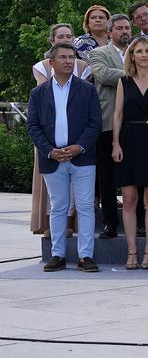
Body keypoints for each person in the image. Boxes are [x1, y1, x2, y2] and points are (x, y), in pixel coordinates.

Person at [27, 43, 102, 272]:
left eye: (72, 57)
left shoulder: (87, 89)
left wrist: (79, 147)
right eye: (63, 57)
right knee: (59, 207)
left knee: (85, 207)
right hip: (53, 158)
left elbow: (94, 123)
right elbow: (33, 126)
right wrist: (50, 150)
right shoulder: (38, 93)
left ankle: (85, 256)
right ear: (52, 63)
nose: (69, 61)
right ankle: (57, 255)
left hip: (82, 158)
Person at [111, 37, 148, 270]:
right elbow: (117, 115)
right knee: (128, 200)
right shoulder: (123, 82)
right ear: (132, 56)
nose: (144, 54)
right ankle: (131, 251)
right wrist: (116, 144)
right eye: (139, 51)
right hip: (129, 140)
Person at [30, 24, 90, 237]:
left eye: (69, 35)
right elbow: (46, 98)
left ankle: (70, 223)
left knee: (79, 189)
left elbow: (80, 98)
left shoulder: (83, 67)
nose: (65, 38)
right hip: (49, 137)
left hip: (76, 138)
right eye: (60, 36)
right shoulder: (42, 67)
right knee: (53, 188)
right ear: (52, 41)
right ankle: (50, 226)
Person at [89, 14, 133, 240]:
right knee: (107, 177)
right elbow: (104, 75)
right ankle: (110, 223)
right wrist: (137, 73)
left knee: (135, 176)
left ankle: (138, 223)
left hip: (135, 123)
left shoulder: (139, 51)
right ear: (109, 32)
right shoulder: (98, 54)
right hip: (107, 124)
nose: (124, 31)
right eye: (119, 28)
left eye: (127, 27)